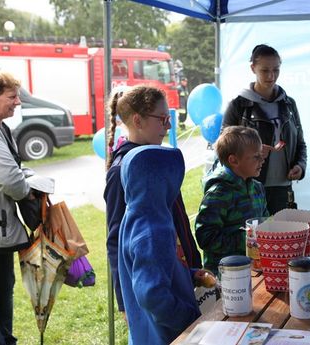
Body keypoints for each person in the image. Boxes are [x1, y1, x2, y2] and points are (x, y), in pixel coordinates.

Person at [103, 85, 203, 317]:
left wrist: (192, 263)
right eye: (162, 119)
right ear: (138, 121)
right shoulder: (122, 172)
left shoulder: (158, 161)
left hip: (178, 270)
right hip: (153, 282)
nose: (168, 126)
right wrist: (125, 303)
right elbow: (115, 240)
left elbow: (177, 218)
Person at [118, 145, 201, 344]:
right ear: (163, 182)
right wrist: (189, 319)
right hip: (168, 336)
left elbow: (151, 269)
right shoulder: (154, 230)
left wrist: (190, 275)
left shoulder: (134, 215)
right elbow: (152, 295)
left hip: (144, 333)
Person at [223, 44, 307, 215]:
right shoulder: (238, 105)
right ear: (253, 68)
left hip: (283, 188)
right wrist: (253, 150)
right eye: (265, 70)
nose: (271, 76)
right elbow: (224, 147)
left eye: (276, 70)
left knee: (281, 237)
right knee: (255, 238)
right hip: (249, 187)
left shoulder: (289, 104)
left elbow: (300, 143)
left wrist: (300, 165)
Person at [0, 68, 33, 344]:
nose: (18, 102)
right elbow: (10, 179)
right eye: (12, 96)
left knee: (3, 291)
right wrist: (27, 189)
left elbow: (14, 171)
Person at [195, 126, 269, 274]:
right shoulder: (219, 194)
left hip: (253, 269)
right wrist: (246, 240)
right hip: (225, 276)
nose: (262, 160)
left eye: (261, 155)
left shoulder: (257, 188)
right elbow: (206, 237)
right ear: (234, 160)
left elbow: (265, 220)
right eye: (256, 156)